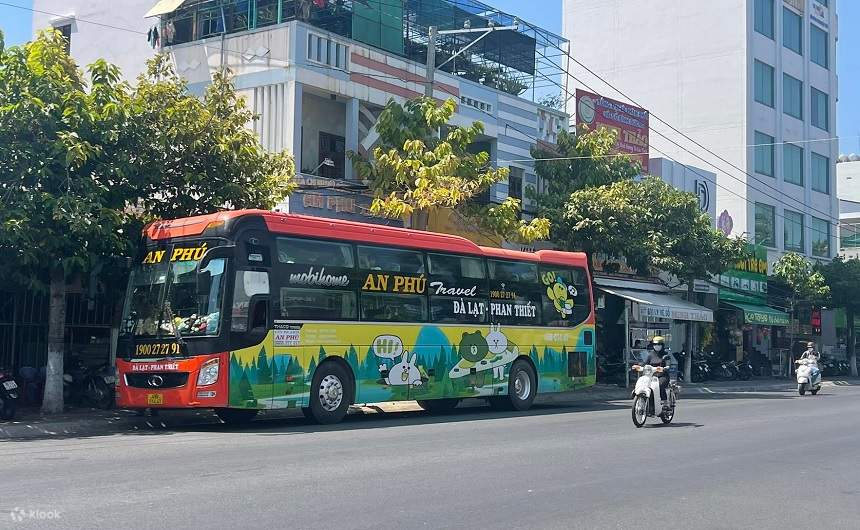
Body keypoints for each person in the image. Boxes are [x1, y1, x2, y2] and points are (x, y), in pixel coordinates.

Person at [640, 336, 670, 410]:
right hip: (651, 376)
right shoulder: (650, 354)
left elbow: (668, 364)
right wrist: (639, 366)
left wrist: (664, 368)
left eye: (659, 344)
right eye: (655, 344)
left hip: (662, 376)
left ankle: (665, 402)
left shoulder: (665, 355)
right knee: (643, 384)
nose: (657, 346)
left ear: (662, 345)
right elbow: (645, 363)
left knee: (659, 385)